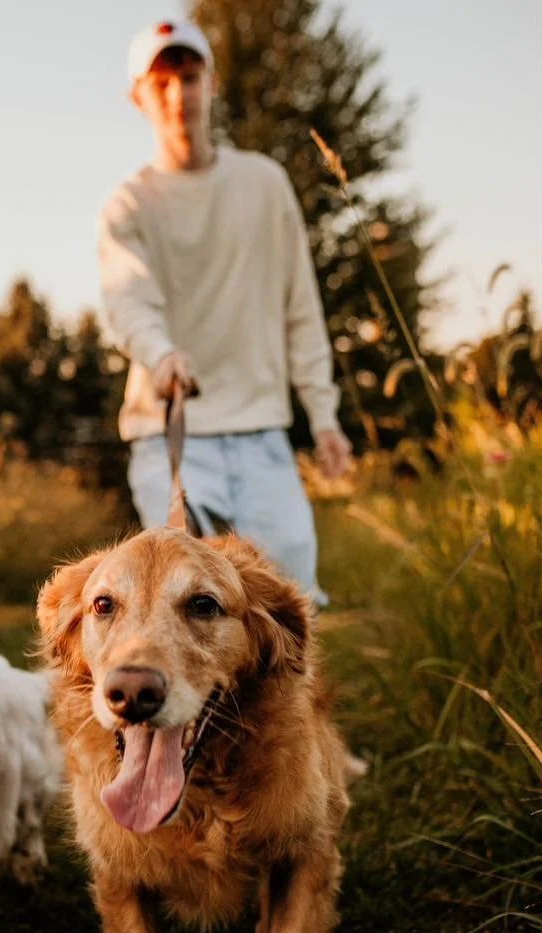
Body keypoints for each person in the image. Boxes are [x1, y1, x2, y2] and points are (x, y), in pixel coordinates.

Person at [98, 19, 352, 605]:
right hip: (172, 434)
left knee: (290, 603)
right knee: (190, 600)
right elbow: (126, 296)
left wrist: (324, 414)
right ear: (138, 97)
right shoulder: (127, 203)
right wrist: (161, 353)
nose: (176, 95)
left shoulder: (264, 184)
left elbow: (300, 307)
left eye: (188, 78)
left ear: (211, 83)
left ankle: (292, 704)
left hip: (262, 431)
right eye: (160, 83)